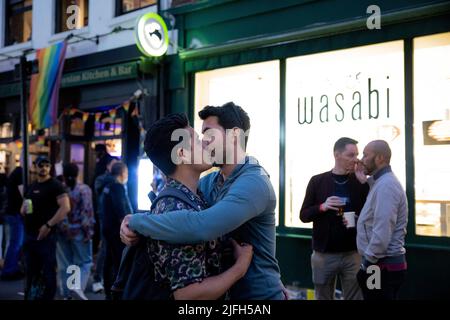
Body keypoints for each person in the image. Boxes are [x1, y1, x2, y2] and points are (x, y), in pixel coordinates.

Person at [121, 102, 286, 300]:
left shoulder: (254, 182)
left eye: (208, 135)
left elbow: (201, 225)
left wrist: (138, 222)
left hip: (259, 297)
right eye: (200, 138)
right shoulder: (209, 182)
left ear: (234, 136)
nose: (204, 143)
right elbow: (177, 209)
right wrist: (135, 219)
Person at [299, 137, 369, 300]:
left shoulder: (360, 182)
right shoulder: (318, 181)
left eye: (357, 155)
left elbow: (372, 213)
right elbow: (303, 215)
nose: (356, 159)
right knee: (323, 297)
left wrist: (365, 183)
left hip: (354, 252)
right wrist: (322, 206)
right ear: (337, 155)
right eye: (350, 155)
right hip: (324, 254)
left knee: (356, 297)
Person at [356, 140, 408, 300]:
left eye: (366, 155)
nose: (362, 159)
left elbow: (383, 229)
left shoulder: (386, 186)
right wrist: (366, 181)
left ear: (380, 158)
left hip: (381, 265)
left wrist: (367, 263)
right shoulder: (381, 183)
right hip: (381, 264)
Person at [21, 156, 71, 300]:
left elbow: (65, 207)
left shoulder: (55, 185)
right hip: (30, 235)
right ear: (35, 167)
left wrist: (48, 225)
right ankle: (31, 296)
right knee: (31, 270)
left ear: (50, 167)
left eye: (47, 165)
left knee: (48, 271)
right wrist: (23, 209)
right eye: (41, 165)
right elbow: (23, 207)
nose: (44, 168)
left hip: (46, 236)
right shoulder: (32, 185)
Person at [56, 163, 95, 300]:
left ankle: (67, 293)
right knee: (84, 262)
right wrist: (88, 232)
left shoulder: (61, 189)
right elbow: (87, 213)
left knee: (66, 263)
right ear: (78, 173)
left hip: (63, 231)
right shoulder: (84, 190)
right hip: (79, 231)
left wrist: (64, 226)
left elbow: (59, 212)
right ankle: (76, 289)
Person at [101, 162, 133, 300]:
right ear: (122, 173)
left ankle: (109, 291)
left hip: (107, 229)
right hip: (116, 231)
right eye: (126, 172)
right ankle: (117, 292)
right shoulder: (118, 187)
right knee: (119, 261)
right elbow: (120, 209)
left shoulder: (107, 186)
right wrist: (128, 226)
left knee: (109, 260)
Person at [91, 156, 118, 293]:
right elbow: (99, 191)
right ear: (108, 166)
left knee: (112, 247)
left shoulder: (117, 179)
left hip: (117, 218)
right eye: (114, 164)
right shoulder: (102, 179)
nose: (116, 166)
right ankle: (97, 278)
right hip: (105, 217)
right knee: (105, 246)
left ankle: (109, 278)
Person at [1, 166, 24, 280]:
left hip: (12, 212)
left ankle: (11, 268)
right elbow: (24, 193)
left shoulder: (16, 173)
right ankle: (9, 270)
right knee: (16, 243)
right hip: (15, 213)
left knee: (15, 242)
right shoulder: (20, 173)